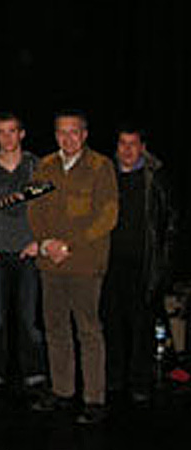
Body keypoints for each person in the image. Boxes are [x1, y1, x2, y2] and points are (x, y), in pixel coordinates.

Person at [28, 110, 118, 425]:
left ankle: (94, 399)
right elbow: (34, 209)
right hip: (51, 263)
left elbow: (108, 216)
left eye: (74, 132)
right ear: (55, 135)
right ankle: (62, 390)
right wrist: (46, 243)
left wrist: (68, 245)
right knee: (55, 329)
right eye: (62, 132)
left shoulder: (100, 166)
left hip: (84, 264)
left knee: (88, 331)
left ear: (84, 134)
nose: (68, 138)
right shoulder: (45, 166)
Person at [0, 113, 47, 404]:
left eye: (12, 131)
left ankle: (35, 376)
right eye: (1, 132)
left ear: (22, 133)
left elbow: (51, 207)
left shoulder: (37, 167)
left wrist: (39, 241)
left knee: (30, 321)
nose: (7, 137)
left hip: (28, 252)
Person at [101, 125, 177, 405]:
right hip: (109, 262)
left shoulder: (156, 178)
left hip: (143, 264)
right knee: (110, 323)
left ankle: (139, 382)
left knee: (141, 325)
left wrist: (164, 265)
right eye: (122, 143)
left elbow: (170, 222)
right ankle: (114, 378)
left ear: (142, 147)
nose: (128, 150)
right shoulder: (105, 175)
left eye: (133, 144)